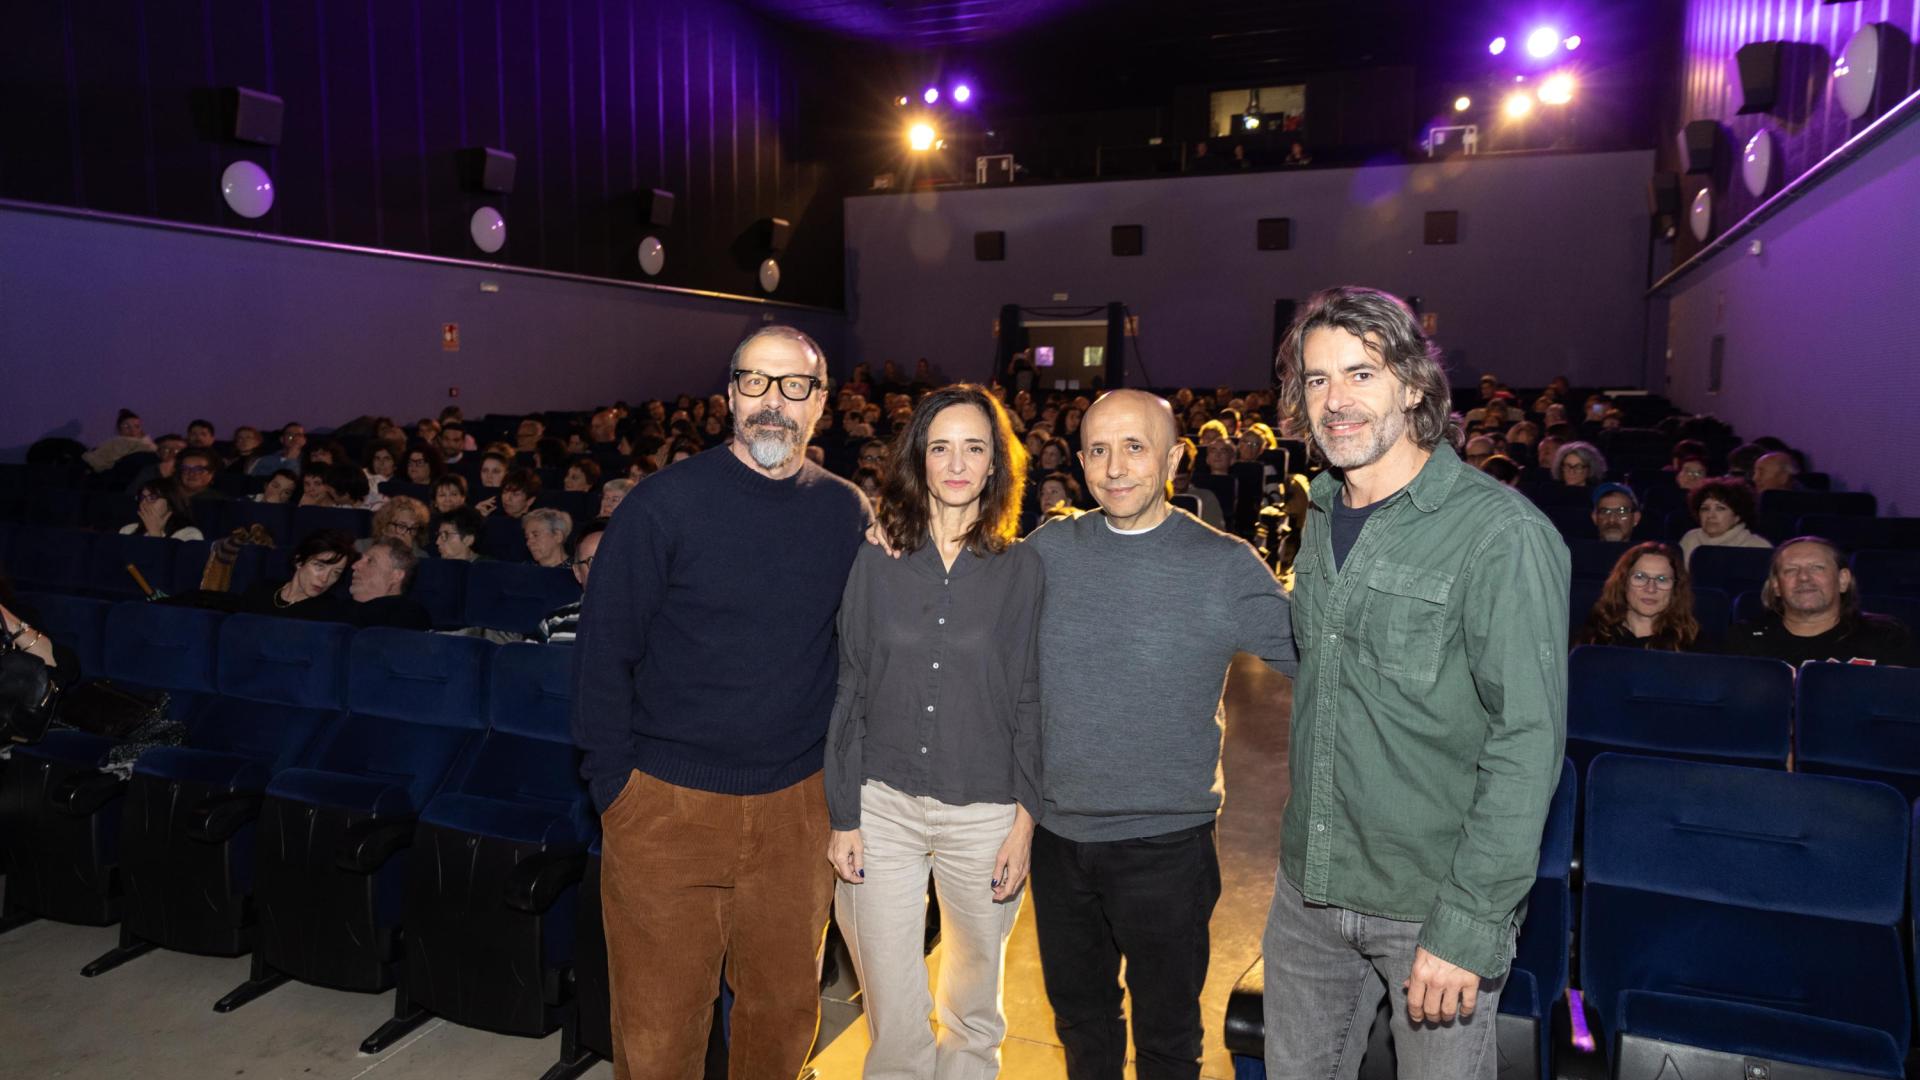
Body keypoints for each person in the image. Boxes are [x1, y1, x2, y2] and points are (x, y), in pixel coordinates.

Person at [1264, 286, 1567, 1078]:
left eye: (1361, 374)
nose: (1337, 401)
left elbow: (1528, 744)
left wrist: (1467, 926)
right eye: (1318, 379)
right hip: (1310, 887)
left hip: (1428, 902)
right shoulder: (1322, 511)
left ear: (1413, 385)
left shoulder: (1501, 535)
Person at [573, 325, 871, 1078]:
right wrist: (617, 790)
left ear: (822, 404)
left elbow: (864, 653)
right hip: (665, 809)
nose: (774, 402)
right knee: (658, 1027)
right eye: (756, 382)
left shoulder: (846, 513)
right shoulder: (660, 507)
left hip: (799, 812)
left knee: (781, 1017)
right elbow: (603, 655)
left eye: (794, 385)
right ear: (730, 397)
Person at [1018, 388, 1295, 1080]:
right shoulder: (1049, 549)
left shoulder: (1224, 565)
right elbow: (969, 619)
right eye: (1099, 451)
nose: (1115, 467)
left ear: (1174, 457)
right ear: (1080, 461)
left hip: (1164, 847)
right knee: (1082, 1021)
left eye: (1134, 447)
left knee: (1168, 1038)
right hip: (1058, 840)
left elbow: (1324, 658)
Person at [825, 386, 1043, 1078]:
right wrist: (844, 813)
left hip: (985, 812)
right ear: (918, 459)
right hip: (883, 807)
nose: (956, 463)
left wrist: (1025, 823)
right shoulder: (877, 559)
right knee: (892, 1002)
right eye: (940, 446)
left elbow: (1034, 698)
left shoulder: (1023, 568)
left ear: (994, 465)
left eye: (974, 447)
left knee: (973, 1006)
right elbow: (851, 683)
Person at [1724, 537, 1918, 668]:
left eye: (1817, 568)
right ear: (1776, 585)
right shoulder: (1745, 639)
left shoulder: (1885, 636)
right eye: (1791, 570)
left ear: (1843, 580)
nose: (1804, 578)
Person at [1573, 542, 1701, 650]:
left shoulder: (1692, 644)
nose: (1651, 589)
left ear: (1675, 588)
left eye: (1662, 579)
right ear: (1623, 582)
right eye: (1640, 577)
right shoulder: (1592, 637)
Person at [239, 531, 355, 622]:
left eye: (336, 573)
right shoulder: (259, 591)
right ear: (299, 562)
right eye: (319, 566)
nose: (325, 579)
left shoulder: (330, 612)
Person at [535, 520, 604, 644]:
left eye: (614, 559)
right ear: (578, 573)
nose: (606, 567)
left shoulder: (647, 623)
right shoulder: (553, 623)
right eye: (593, 561)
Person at [1678, 477, 1770, 565]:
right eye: (1705, 509)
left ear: (1737, 516)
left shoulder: (1758, 546)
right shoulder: (1690, 539)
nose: (1710, 515)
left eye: (1720, 509)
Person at [346, 539, 431, 630]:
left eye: (370, 561)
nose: (355, 565)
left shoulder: (410, 615)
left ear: (396, 576)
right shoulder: (338, 606)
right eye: (360, 559)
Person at [121, 478, 204, 541]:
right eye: (142, 498)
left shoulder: (189, 534)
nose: (144, 503)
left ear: (171, 502)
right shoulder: (128, 530)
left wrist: (155, 534)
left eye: (152, 497)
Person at [358, 497, 429, 557]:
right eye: (401, 526)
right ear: (384, 526)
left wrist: (407, 553)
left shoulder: (421, 556)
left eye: (413, 528)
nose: (407, 534)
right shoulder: (361, 547)